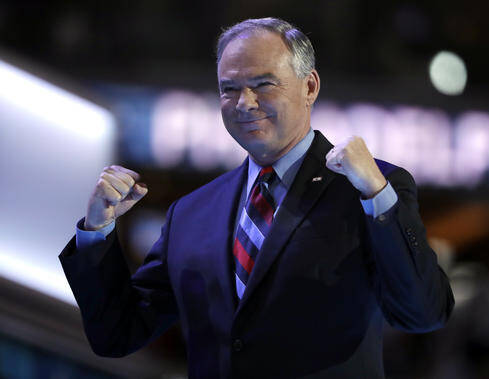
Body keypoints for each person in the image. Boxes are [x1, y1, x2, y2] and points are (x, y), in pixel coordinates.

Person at [60, 17, 454, 379]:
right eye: (229, 88)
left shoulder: (369, 187)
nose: (244, 102)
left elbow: (422, 313)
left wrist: (378, 197)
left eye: (263, 84)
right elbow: (118, 334)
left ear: (310, 87)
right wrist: (97, 230)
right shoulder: (193, 212)